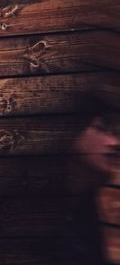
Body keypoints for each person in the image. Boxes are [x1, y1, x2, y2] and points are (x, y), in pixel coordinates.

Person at [60, 92, 120, 264]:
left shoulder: (86, 209)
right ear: (70, 132)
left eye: (115, 133)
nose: (114, 142)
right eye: (101, 128)